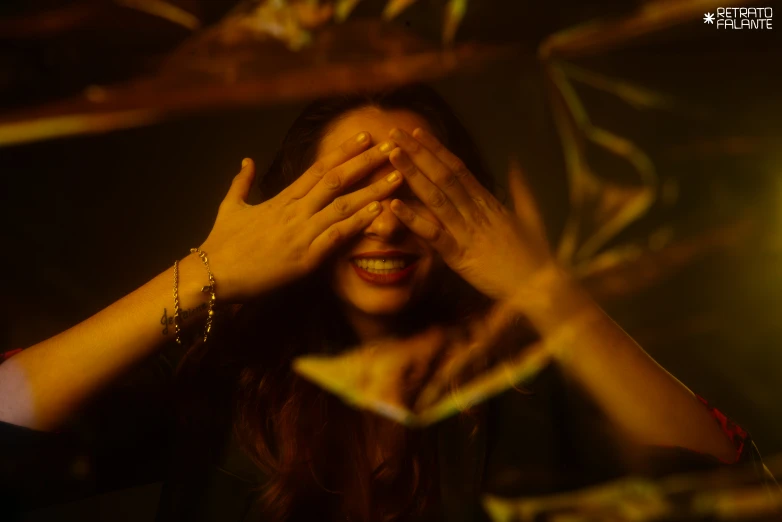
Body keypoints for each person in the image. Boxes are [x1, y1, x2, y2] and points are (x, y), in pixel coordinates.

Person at [0, 83, 776, 522]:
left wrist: (546, 288)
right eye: (350, 189)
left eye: (419, 188)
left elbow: (739, 496)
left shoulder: (530, 389)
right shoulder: (217, 375)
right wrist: (209, 269)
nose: (385, 220)